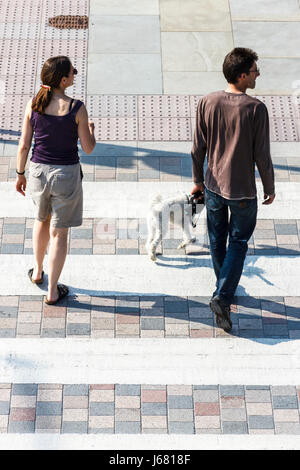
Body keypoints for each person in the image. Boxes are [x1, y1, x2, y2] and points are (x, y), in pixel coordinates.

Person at [190, 47, 275, 332]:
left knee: (217, 238)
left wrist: (197, 180)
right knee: (238, 242)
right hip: (242, 191)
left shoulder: (207, 101)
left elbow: (196, 148)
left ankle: (222, 288)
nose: (257, 75)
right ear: (241, 76)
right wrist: (270, 186)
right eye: (254, 71)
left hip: (213, 186)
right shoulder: (255, 108)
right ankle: (223, 296)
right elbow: (262, 154)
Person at [15, 56, 96, 304]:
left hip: (38, 172)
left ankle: (38, 271)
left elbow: (24, 145)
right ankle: (52, 291)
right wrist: (91, 129)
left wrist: (20, 174)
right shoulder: (76, 108)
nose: (75, 74)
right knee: (59, 234)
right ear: (63, 79)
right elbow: (88, 147)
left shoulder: (34, 104)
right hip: (66, 175)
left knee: (41, 221)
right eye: (73, 71)